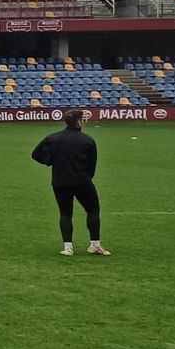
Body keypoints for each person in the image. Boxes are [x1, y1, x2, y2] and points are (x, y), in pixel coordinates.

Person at [31, 108, 110, 256]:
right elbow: (92, 165)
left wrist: (50, 161)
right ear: (79, 121)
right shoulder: (88, 140)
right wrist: (86, 176)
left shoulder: (53, 139)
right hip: (82, 181)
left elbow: (36, 155)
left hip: (60, 181)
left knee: (65, 214)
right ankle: (95, 245)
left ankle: (68, 248)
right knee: (93, 210)